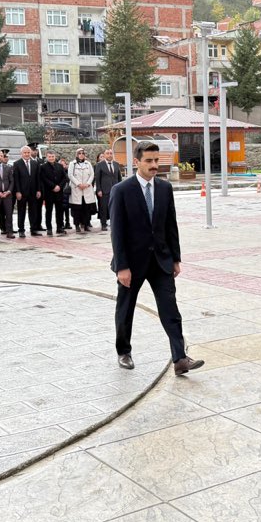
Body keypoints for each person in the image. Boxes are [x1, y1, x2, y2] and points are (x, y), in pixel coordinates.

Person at [109, 140, 201, 375]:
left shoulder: (164, 188)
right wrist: (122, 267)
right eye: (148, 161)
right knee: (126, 309)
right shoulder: (121, 190)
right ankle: (124, 352)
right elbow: (117, 232)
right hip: (132, 264)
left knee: (171, 310)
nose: (153, 165)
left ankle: (180, 359)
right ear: (136, 162)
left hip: (161, 261)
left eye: (156, 161)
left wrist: (176, 259)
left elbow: (170, 225)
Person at [13, 145, 41, 238]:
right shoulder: (17, 164)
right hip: (22, 192)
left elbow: (38, 178)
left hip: (33, 192)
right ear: (21, 154)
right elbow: (16, 179)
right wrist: (18, 191)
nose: (27, 154)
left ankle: (33, 229)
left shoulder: (35, 163)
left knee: (33, 211)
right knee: (21, 211)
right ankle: (21, 230)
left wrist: (38, 190)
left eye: (28, 152)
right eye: (25, 152)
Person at [38, 150, 67, 236]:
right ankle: (49, 228)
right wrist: (53, 186)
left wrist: (59, 186)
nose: (51, 158)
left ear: (55, 157)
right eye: (49, 157)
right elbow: (43, 178)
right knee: (49, 211)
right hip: (49, 192)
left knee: (60, 211)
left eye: (52, 157)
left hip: (59, 192)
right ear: (47, 157)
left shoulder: (60, 166)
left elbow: (64, 178)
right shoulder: (43, 167)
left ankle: (59, 227)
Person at [94, 148, 122, 232]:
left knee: (115, 207)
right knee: (103, 208)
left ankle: (115, 223)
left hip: (115, 190)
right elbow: (97, 178)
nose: (109, 155)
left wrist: (121, 189)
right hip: (104, 190)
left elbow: (119, 177)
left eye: (111, 153)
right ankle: (103, 224)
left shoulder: (116, 164)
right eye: (108, 153)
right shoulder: (100, 165)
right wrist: (99, 190)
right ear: (105, 155)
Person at [68, 148, 95, 233]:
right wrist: (78, 184)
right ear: (77, 154)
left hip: (86, 189)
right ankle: (77, 225)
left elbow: (92, 174)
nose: (81, 154)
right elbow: (70, 175)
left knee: (86, 209)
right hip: (77, 189)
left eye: (83, 153)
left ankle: (86, 224)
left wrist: (87, 183)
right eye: (79, 153)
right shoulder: (72, 164)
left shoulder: (88, 164)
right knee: (77, 209)